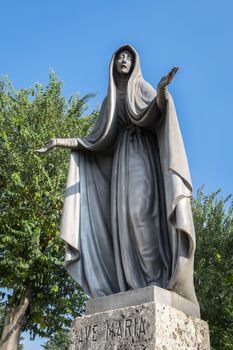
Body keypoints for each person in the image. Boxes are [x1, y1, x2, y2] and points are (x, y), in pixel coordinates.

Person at [37, 45, 198, 306]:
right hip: (121, 162)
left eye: (129, 57)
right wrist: (59, 141)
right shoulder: (110, 100)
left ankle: (156, 278)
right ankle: (133, 283)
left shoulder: (143, 87)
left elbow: (155, 114)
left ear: (135, 63)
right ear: (113, 64)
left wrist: (161, 91)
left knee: (140, 214)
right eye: (120, 57)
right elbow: (95, 140)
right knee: (122, 223)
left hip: (141, 156)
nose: (124, 60)